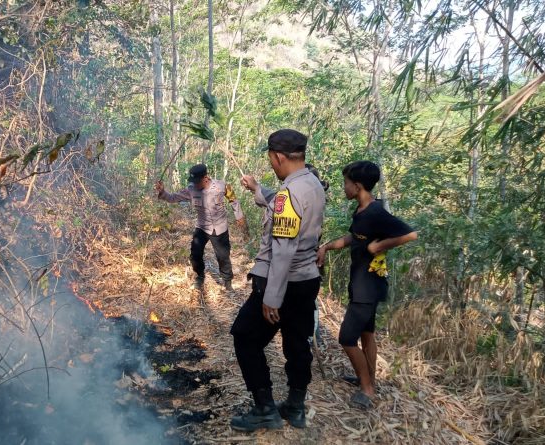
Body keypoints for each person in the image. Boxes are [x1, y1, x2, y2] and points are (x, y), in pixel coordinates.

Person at [230, 129, 326, 431]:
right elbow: (277, 203)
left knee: (245, 337)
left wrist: (271, 297)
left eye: (271, 158)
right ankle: (295, 408)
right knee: (298, 344)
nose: (272, 162)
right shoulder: (313, 183)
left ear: (279, 157)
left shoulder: (289, 194)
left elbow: (283, 250)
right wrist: (258, 189)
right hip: (307, 279)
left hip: (283, 282)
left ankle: (265, 410)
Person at [316, 160, 418, 410]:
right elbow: (354, 237)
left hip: (368, 285)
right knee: (366, 333)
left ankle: (368, 389)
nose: (344, 188)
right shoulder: (361, 212)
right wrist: (327, 246)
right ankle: (368, 378)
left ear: (358, 186)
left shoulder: (376, 212)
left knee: (346, 338)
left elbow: (410, 233)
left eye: (346, 184)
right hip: (362, 282)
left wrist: (379, 246)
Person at [155, 164, 246, 291]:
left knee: (223, 256)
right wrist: (162, 192)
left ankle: (227, 281)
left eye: (198, 182)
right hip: (202, 226)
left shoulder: (221, 186)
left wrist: (239, 216)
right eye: (193, 182)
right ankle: (199, 276)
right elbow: (173, 198)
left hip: (219, 228)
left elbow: (233, 199)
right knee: (195, 253)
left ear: (206, 178)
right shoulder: (190, 190)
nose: (195, 185)